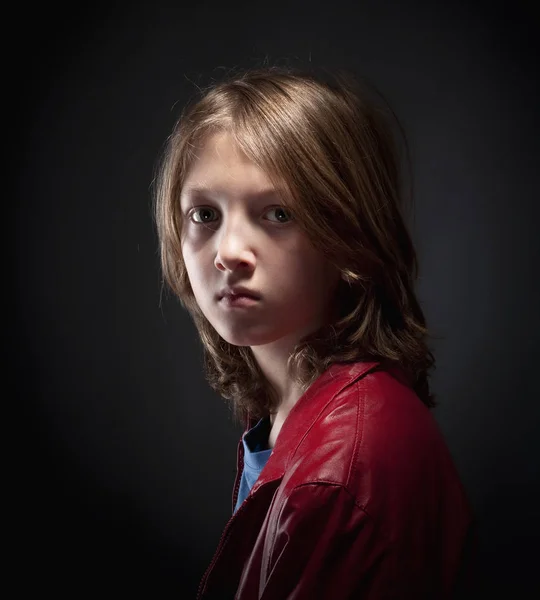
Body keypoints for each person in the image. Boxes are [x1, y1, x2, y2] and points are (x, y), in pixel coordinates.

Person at [153, 64, 477, 599]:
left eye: (278, 213)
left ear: (348, 234)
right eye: (205, 214)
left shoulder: (335, 476)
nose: (229, 252)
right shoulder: (292, 415)